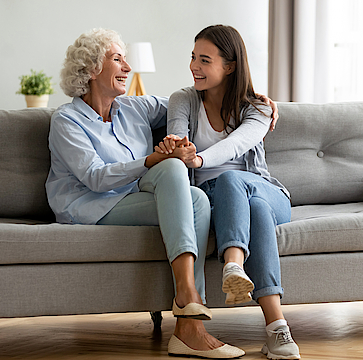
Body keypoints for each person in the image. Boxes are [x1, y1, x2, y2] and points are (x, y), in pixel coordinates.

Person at [45, 28, 245, 359]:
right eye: (117, 59)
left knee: (196, 196)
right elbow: (95, 178)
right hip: (90, 206)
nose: (127, 67)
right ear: (93, 69)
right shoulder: (66, 121)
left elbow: (193, 100)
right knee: (168, 167)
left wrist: (253, 102)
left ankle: (187, 319)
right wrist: (153, 159)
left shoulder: (135, 109)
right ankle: (188, 301)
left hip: (134, 196)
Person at [161, 25, 301, 359]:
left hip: (267, 191)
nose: (194, 66)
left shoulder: (259, 108)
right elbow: (178, 138)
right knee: (254, 210)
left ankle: (233, 262)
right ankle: (278, 329)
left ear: (230, 66)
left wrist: (197, 158)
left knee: (234, 182)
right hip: (220, 200)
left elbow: (237, 144)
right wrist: (180, 150)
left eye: (205, 60)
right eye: (193, 57)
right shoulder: (183, 99)